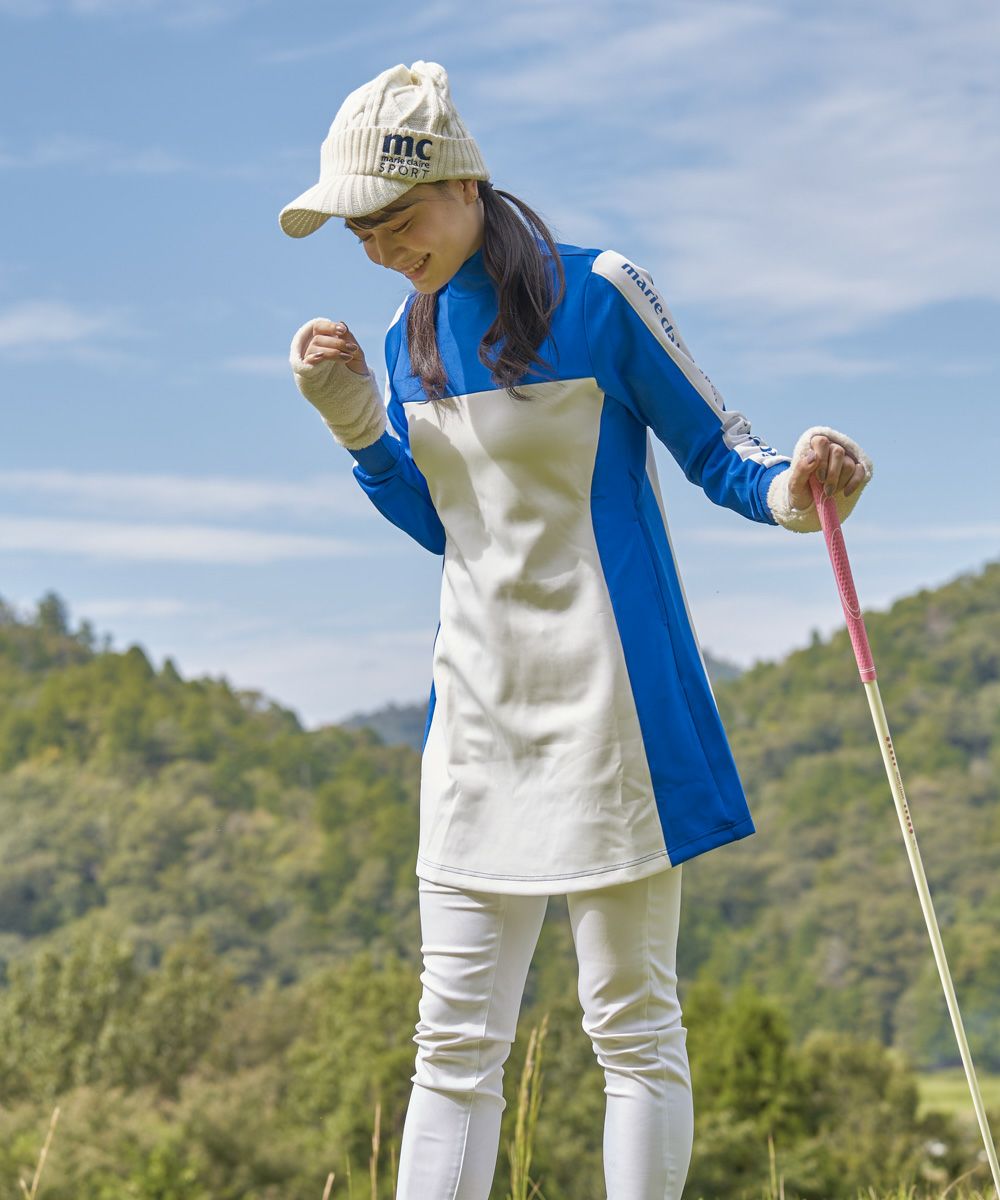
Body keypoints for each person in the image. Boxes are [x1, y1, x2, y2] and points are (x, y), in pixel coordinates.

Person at [278, 60, 872, 1200]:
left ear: (463, 183)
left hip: (612, 711)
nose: (381, 250)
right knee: (452, 1043)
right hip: (475, 717)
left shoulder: (599, 291)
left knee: (631, 1026)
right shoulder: (403, 338)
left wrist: (800, 489)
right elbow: (451, 530)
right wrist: (357, 429)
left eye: (397, 220)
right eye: (361, 234)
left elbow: (720, 452)